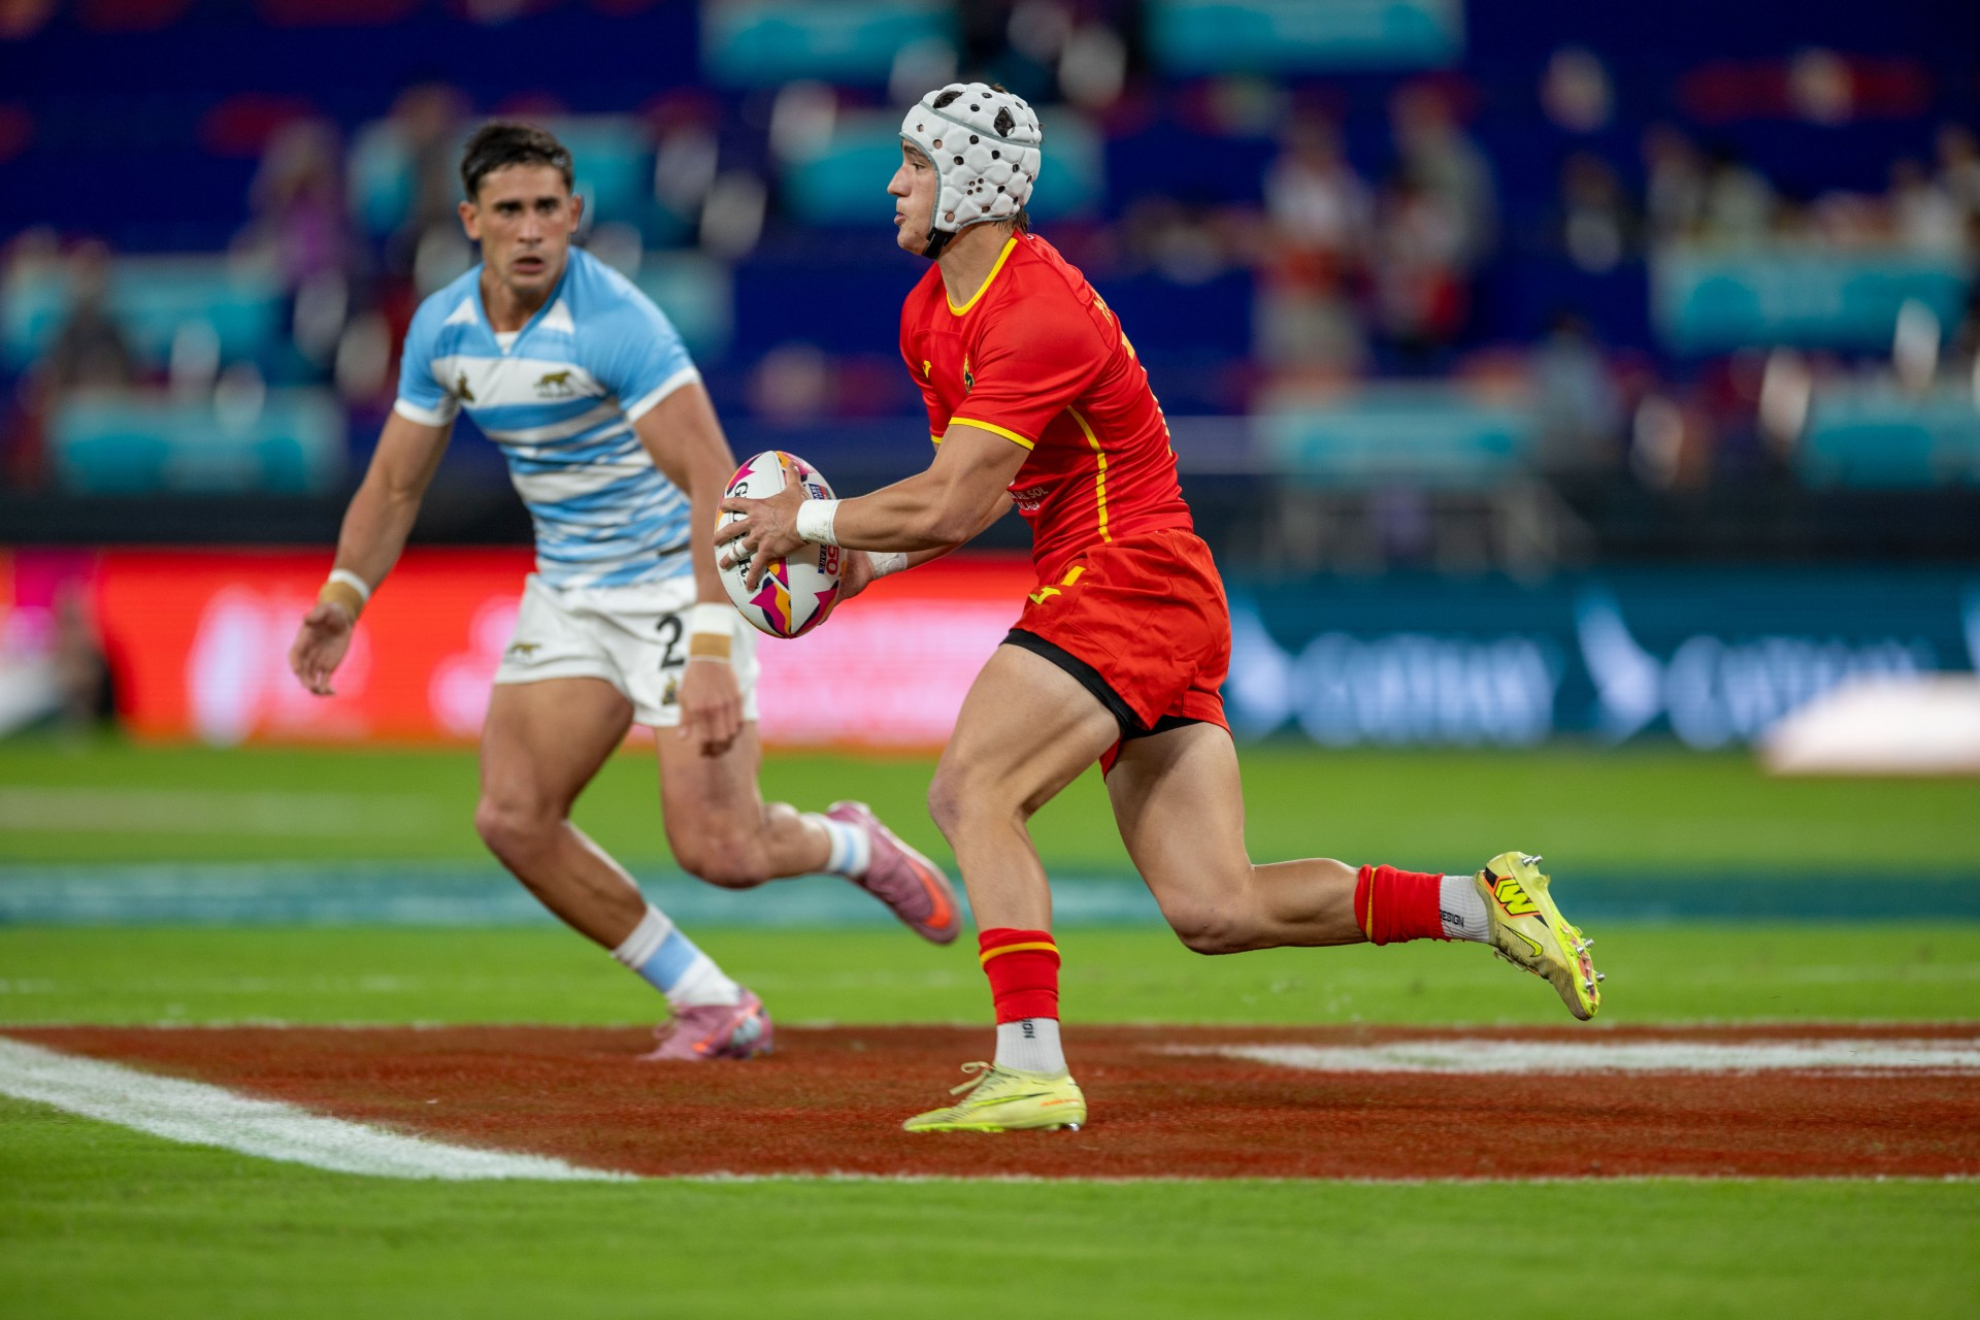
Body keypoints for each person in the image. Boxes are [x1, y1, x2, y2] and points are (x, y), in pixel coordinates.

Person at [718, 83, 1602, 1131]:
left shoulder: (1036, 308)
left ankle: (1033, 1064)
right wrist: (862, 567)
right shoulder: (928, 316)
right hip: (1136, 586)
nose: (893, 181)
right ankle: (1482, 902)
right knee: (1213, 906)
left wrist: (811, 529)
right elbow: (973, 497)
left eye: (913, 160)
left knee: (973, 792)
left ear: (969, 178)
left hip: (1128, 575)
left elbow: (948, 496)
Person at [289, 123, 958, 1061]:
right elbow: (397, 483)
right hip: (569, 592)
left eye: (547, 210)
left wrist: (716, 646)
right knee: (513, 818)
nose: (530, 230)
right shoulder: (442, 329)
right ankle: (711, 1000)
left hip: (677, 586)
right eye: (510, 211)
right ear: (470, 220)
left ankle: (851, 844)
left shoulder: (617, 324)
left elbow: (709, 478)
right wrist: (345, 593)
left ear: (577, 215)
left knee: (721, 852)